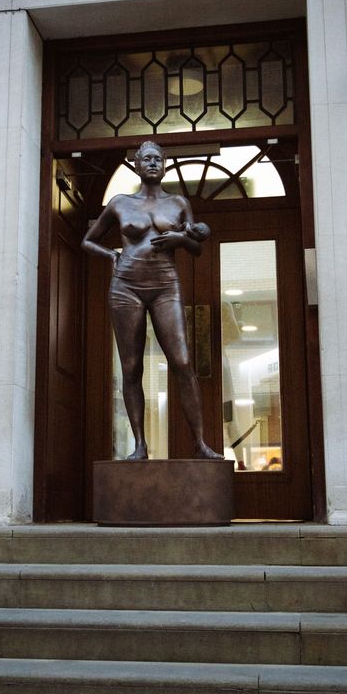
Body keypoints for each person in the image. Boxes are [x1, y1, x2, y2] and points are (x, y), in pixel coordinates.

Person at [82, 140, 222, 461]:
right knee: (131, 367)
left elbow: (197, 247)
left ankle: (200, 444)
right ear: (136, 166)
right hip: (126, 286)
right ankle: (140, 445)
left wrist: (180, 238)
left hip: (165, 285)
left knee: (182, 361)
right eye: (146, 159)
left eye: (158, 159)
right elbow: (88, 241)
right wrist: (111, 255)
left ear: (165, 165)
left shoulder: (178, 203)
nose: (153, 163)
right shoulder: (120, 203)